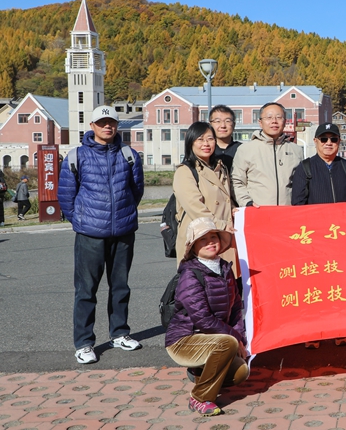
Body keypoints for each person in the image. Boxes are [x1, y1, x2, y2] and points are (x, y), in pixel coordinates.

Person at [57, 105, 145, 364]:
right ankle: (84, 343)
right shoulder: (76, 157)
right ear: (92, 126)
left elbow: (136, 190)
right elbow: (66, 196)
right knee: (86, 290)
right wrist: (81, 220)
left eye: (112, 122)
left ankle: (119, 333)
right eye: (102, 122)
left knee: (120, 286)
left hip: (123, 231)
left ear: (117, 125)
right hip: (90, 234)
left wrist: (123, 215)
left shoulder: (129, 155)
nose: (108, 126)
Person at [165, 217, 248, 417]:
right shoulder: (190, 274)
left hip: (214, 339)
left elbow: (236, 308)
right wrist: (235, 338)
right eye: (203, 239)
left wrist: (241, 338)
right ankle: (200, 398)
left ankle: (200, 371)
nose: (210, 242)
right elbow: (202, 319)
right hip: (184, 340)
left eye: (214, 237)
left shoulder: (225, 268)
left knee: (241, 372)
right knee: (228, 343)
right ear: (193, 247)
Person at [291, 123, 346, 348]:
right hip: (315, 240)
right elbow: (297, 206)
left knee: (341, 286)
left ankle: (341, 329)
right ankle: (313, 332)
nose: (328, 143)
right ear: (315, 142)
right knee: (314, 287)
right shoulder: (305, 169)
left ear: (339, 142)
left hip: (342, 240)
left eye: (333, 139)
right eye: (324, 139)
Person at [173, 122, 237, 275]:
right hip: (200, 239)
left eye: (210, 139)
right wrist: (221, 225)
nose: (206, 144)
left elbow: (226, 199)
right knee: (199, 284)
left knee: (225, 284)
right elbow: (195, 207)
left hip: (222, 238)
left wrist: (236, 210)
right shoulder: (185, 171)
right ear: (190, 143)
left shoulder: (221, 168)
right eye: (200, 139)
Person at [232, 102, 303, 207]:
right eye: (269, 117)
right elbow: (237, 181)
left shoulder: (296, 150)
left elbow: (301, 184)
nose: (274, 121)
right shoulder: (245, 149)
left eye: (279, 117)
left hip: (288, 212)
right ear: (260, 122)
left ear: (285, 121)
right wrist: (247, 203)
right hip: (258, 211)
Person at [209, 105, 241, 189]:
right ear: (210, 125)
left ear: (234, 125)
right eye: (217, 121)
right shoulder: (204, 149)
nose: (223, 125)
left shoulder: (243, 150)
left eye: (227, 121)